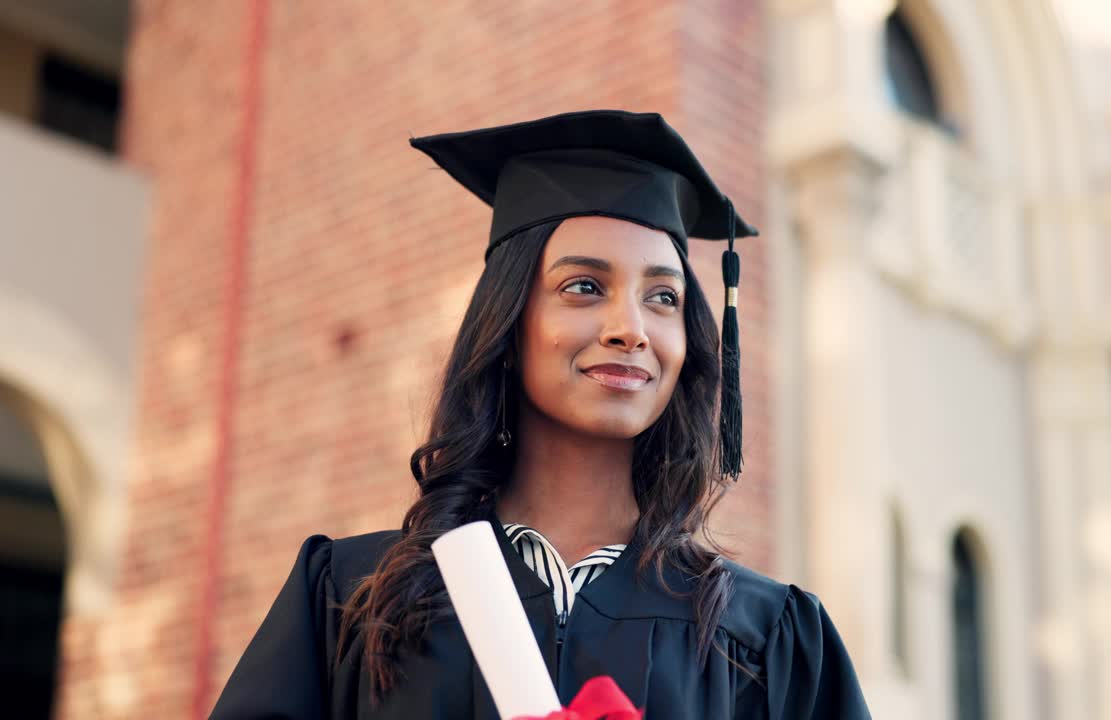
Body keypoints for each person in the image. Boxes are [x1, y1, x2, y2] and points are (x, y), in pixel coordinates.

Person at [209, 110, 872, 719]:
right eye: (584, 287)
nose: (630, 328)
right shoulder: (348, 600)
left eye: (663, 297)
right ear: (509, 321)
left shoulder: (763, 639)